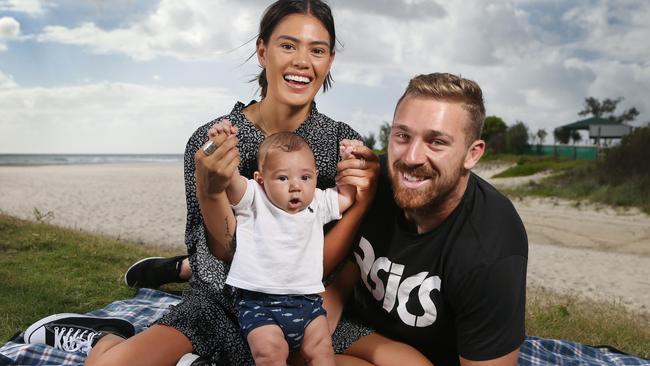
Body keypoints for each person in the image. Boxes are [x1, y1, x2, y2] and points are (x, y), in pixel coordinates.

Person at [23, 1, 429, 365]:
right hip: (225, 300)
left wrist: (365, 198)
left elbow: (342, 256)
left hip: (309, 304)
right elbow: (225, 255)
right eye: (288, 45)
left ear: (330, 60)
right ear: (262, 50)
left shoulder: (340, 143)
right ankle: (105, 337)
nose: (303, 61)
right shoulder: (213, 141)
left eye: (317, 50)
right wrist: (210, 188)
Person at [338, 72, 528, 366]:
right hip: (352, 338)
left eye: (436, 142)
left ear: (472, 154)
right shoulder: (371, 184)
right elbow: (334, 284)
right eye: (402, 136)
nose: (411, 157)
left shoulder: (491, 246)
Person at [212, 125, 360, 365]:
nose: (295, 186)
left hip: (307, 303)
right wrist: (223, 144)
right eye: (282, 178)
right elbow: (231, 180)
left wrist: (348, 159)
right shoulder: (254, 198)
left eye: (305, 177)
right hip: (260, 304)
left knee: (322, 350)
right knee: (270, 353)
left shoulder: (317, 204)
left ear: (315, 175)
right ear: (261, 180)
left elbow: (346, 197)